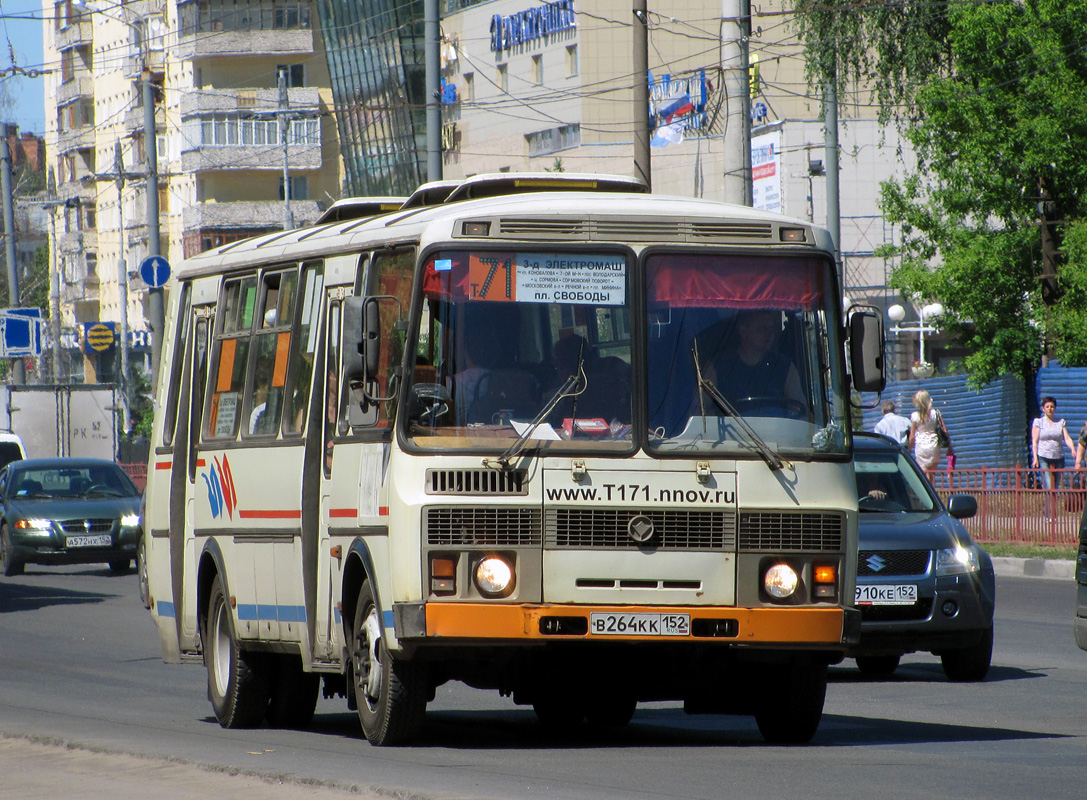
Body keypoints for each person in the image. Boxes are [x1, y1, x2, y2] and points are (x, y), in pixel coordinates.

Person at [705, 309, 805, 411]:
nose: (769, 334)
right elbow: (700, 414)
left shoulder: (785, 367)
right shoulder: (718, 367)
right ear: (743, 331)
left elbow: (801, 413)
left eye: (771, 328)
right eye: (762, 329)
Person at [1031, 396, 1076, 518]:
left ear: (1055, 408)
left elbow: (1066, 437)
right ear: (1043, 409)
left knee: (1055, 486)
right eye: (1047, 407)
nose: (1050, 409)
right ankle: (1049, 513)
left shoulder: (1060, 422)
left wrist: (1072, 448)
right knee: (1048, 483)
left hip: (1058, 456)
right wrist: (1035, 458)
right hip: (1044, 456)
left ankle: (1052, 511)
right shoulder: (1038, 422)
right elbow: (1034, 441)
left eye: (1052, 407)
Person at [908, 389, 947, 480]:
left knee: (925, 474)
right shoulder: (936, 413)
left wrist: (909, 448)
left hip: (921, 445)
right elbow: (944, 430)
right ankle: (933, 491)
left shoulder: (915, 416)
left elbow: (912, 436)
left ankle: (927, 491)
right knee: (932, 473)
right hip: (934, 443)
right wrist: (949, 447)